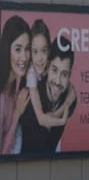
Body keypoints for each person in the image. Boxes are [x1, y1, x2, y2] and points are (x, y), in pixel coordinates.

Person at [17, 32, 77, 155]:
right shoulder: (30, 98)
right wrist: (64, 108)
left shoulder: (72, 98)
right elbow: (43, 121)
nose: (58, 81)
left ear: (70, 76)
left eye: (64, 74)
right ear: (48, 67)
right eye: (54, 70)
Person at [0, 15, 31, 154]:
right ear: (7, 50)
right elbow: (3, 154)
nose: (24, 57)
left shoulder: (12, 89)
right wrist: (17, 113)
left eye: (27, 48)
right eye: (18, 49)